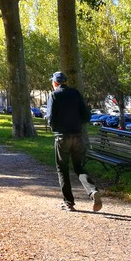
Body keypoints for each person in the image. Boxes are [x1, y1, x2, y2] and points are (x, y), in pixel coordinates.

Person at [45, 71, 102, 212]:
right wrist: (77, 125)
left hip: (62, 137)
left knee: (62, 169)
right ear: (65, 82)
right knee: (79, 167)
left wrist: (55, 128)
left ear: (55, 83)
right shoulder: (76, 93)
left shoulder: (54, 95)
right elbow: (87, 116)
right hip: (77, 136)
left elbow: (50, 116)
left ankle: (69, 203)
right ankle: (92, 191)